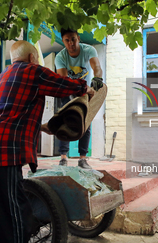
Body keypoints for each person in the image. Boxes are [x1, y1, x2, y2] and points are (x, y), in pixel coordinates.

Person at [0, 40, 95, 243]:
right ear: (32, 58)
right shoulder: (32, 70)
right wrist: (84, 88)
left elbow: (8, 114)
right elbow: (62, 84)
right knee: (9, 225)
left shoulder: (1, 79)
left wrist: (44, 127)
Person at [55, 28, 104, 169]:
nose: (71, 43)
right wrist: (81, 89)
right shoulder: (60, 57)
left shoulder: (89, 50)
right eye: (67, 40)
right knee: (65, 121)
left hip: (85, 92)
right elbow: (65, 80)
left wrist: (97, 78)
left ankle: (83, 159)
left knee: (85, 122)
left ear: (78, 39)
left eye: (73, 39)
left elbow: (97, 67)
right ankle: (63, 157)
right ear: (63, 42)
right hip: (67, 90)